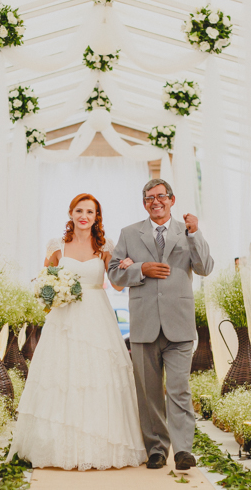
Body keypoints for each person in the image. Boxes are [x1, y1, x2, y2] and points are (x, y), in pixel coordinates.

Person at [10, 193, 147, 470]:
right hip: (65, 318)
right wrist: (54, 294)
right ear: (71, 213)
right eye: (80, 210)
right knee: (61, 376)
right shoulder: (56, 247)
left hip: (98, 314)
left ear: (97, 218)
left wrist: (126, 266)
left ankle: (102, 444)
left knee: (99, 376)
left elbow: (118, 285)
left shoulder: (105, 246)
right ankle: (56, 445)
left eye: (91, 212)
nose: (84, 216)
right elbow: (43, 282)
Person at [107, 179, 214, 470]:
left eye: (160, 196)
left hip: (179, 324)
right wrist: (141, 269)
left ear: (171, 199)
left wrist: (195, 233)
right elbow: (114, 274)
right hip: (143, 325)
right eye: (149, 198)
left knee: (179, 389)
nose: (155, 201)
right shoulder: (129, 233)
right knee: (149, 392)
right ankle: (156, 448)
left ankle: (182, 451)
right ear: (144, 203)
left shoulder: (186, 231)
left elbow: (205, 267)